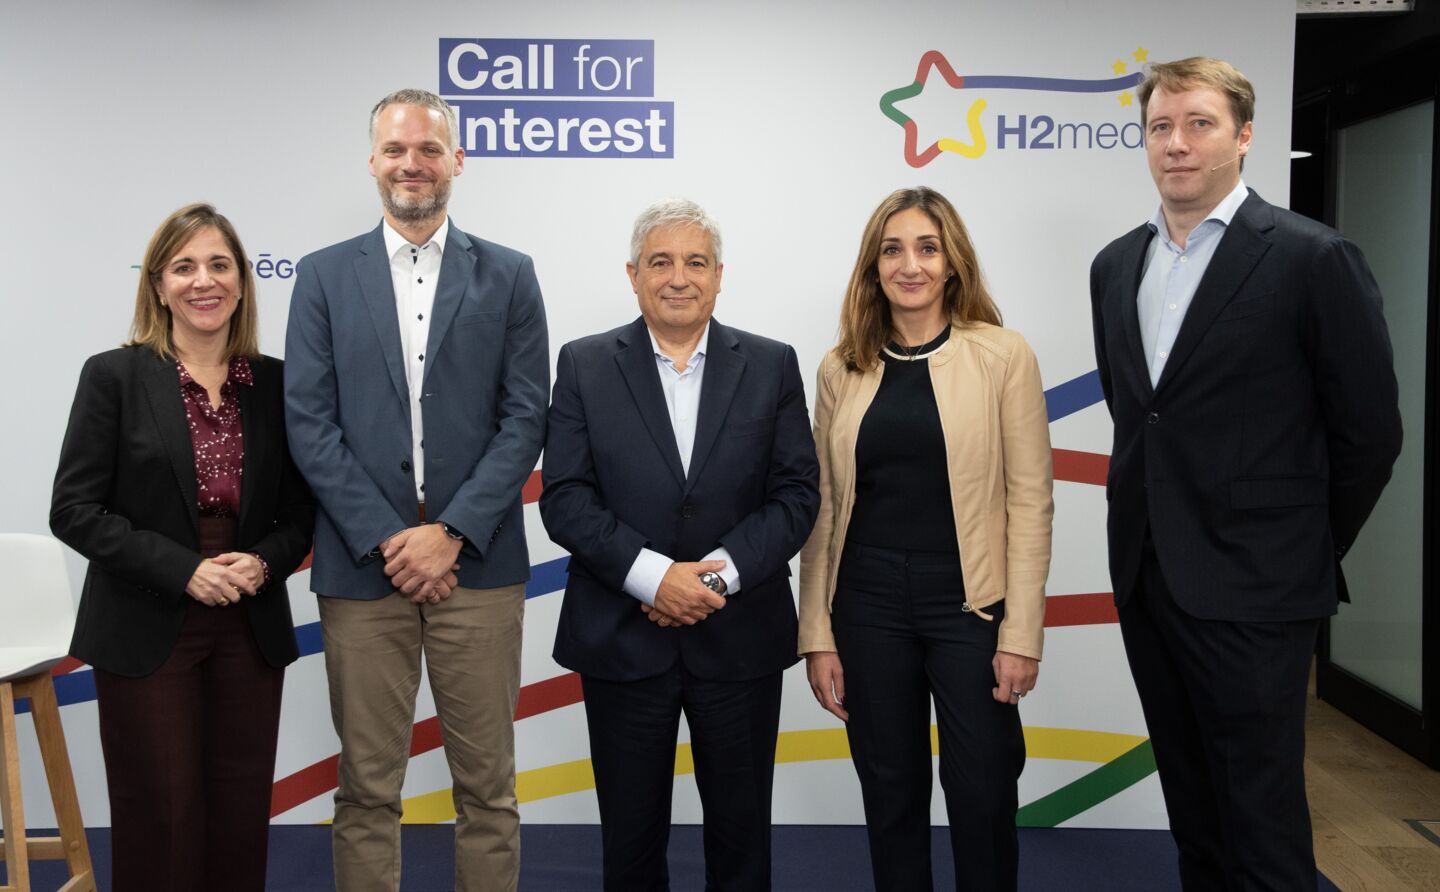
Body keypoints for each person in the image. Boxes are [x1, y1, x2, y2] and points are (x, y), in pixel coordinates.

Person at [1090, 57, 1402, 890]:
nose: (1177, 143)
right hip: (1151, 577)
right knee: (1194, 814)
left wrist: (1301, 544)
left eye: (1199, 123)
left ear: (1244, 136)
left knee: (1262, 827)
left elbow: (1370, 434)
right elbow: (1140, 417)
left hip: (1261, 586)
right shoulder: (1116, 266)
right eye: (1161, 126)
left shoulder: (1312, 257)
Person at [284, 88, 549, 892]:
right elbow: (309, 423)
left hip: (480, 566)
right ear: (372, 161)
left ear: (456, 160)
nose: (412, 163)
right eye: (396, 149)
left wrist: (453, 532)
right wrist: (392, 539)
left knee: (489, 790)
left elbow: (525, 417)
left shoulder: (511, 274)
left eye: (429, 148)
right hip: (365, 568)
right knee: (367, 789)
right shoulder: (323, 277)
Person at [539, 198, 820, 891]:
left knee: (742, 839)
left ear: (719, 275)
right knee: (630, 843)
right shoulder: (583, 364)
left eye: (696, 262)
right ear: (633, 274)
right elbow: (565, 497)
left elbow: (795, 495)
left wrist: (710, 582)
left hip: (740, 638)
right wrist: (654, 578)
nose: (678, 277)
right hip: (621, 637)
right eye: (660, 262)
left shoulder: (772, 364)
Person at [49, 203, 314, 892]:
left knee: (239, 811)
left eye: (219, 265)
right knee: (160, 813)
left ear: (242, 282)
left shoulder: (278, 383)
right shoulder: (114, 376)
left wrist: (263, 562)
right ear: (158, 285)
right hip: (145, 616)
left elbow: (302, 512)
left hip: (249, 617)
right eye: (184, 266)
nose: (204, 281)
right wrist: (184, 570)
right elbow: (74, 511)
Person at [798, 186, 1054, 891]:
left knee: (984, 792)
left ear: (952, 262)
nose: (909, 265)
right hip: (867, 604)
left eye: (927, 248)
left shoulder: (1003, 355)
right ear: (873, 266)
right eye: (893, 250)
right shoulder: (840, 367)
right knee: (890, 792)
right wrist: (817, 632)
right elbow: (823, 508)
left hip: (970, 603)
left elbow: (1031, 501)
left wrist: (1022, 634)